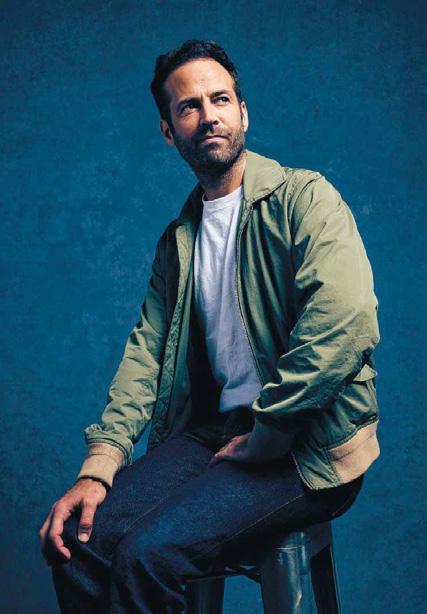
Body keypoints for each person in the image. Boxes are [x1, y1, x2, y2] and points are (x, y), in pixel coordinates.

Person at [39, 39, 381, 613]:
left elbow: (344, 323)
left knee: (148, 555)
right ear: (169, 131)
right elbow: (144, 357)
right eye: (189, 106)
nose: (208, 115)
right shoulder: (179, 241)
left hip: (306, 442)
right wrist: (98, 470)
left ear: (243, 111)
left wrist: (270, 431)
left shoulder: (305, 199)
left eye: (220, 99)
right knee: (79, 541)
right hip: (217, 432)